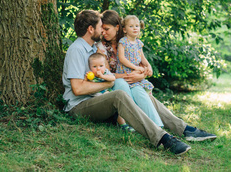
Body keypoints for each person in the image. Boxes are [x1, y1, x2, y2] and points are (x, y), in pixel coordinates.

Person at [63, 10, 192, 154]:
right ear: (90, 29)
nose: (102, 31)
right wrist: (109, 84)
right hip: (79, 106)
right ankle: (163, 139)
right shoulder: (76, 50)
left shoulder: (93, 48)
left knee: (140, 92)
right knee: (119, 95)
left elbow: (106, 75)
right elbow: (77, 89)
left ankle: (183, 129)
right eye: (100, 27)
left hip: (97, 99)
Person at [97, 9, 217, 142]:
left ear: (118, 27)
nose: (103, 32)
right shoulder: (101, 47)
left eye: (106, 29)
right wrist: (130, 76)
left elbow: (144, 66)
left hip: (132, 83)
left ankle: (176, 129)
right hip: (116, 88)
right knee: (139, 94)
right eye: (101, 29)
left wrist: (142, 74)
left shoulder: (129, 41)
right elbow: (107, 75)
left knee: (143, 95)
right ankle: (179, 129)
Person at [87, 53, 135, 132]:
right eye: (94, 67)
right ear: (90, 67)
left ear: (105, 66)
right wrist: (86, 79)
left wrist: (102, 76)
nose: (98, 69)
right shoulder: (90, 75)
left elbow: (112, 78)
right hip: (97, 98)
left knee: (120, 106)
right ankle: (121, 123)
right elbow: (86, 86)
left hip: (108, 94)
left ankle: (123, 125)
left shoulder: (106, 73)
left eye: (101, 66)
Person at [116, 15, 154, 92]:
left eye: (137, 26)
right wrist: (135, 67)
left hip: (136, 73)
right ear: (124, 30)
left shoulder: (139, 43)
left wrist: (148, 66)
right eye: (131, 26)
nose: (135, 28)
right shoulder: (123, 42)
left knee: (147, 90)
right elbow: (122, 58)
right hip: (126, 72)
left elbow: (142, 58)